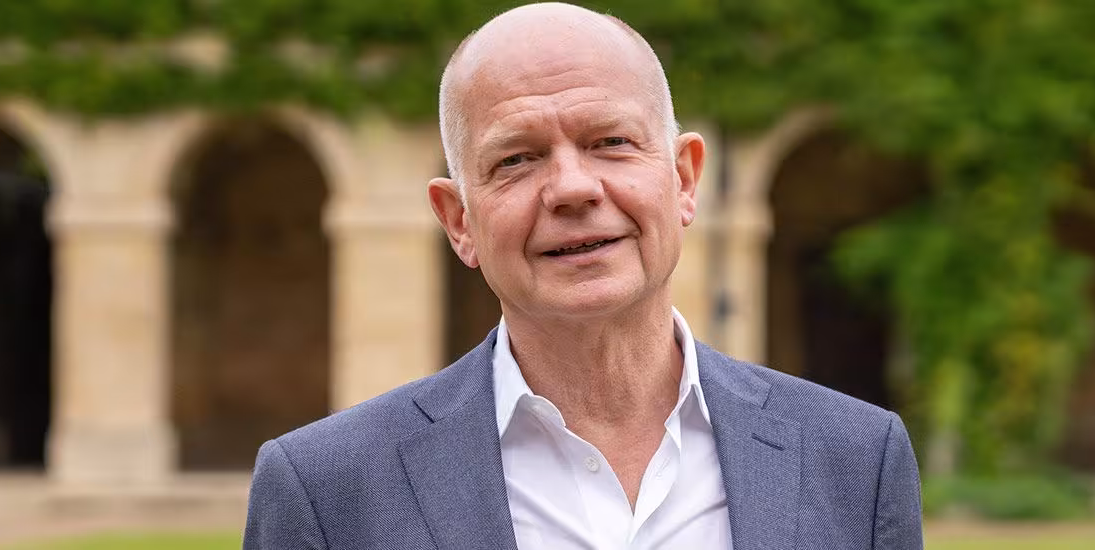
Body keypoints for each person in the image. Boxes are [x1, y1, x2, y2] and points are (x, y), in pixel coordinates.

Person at [243, 3, 923, 548]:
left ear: (684, 180)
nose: (572, 188)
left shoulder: (855, 461)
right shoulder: (326, 490)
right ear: (459, 221)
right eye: (516, 159)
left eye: (611, 143)